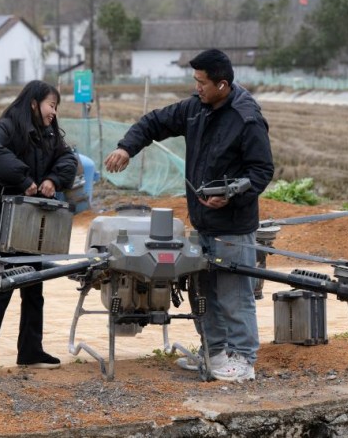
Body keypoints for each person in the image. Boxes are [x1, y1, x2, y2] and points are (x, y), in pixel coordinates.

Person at [104, 49, 274, 382]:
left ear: (222, 85)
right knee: (203, 293)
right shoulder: (195, 109)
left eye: (201, 82)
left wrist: (230, 195)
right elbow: (154, 122)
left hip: (233, 227)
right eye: (194, 80)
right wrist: (127, 147)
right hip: (202, 224)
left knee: (234, 294)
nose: (196, 87)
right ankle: (214, 352)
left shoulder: (245, 118)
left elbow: (262, 170)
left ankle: (244, 360)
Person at [0, 80, 78, 379]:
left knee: (34, 285)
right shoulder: (7, 127)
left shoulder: (49, 133)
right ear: (35, 103)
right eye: (52, 105)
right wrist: (24, 179)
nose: (54, 112)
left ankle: (30, 350)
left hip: (29, 222)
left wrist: (53, 179)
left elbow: (68, 159)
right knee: (0, 286)